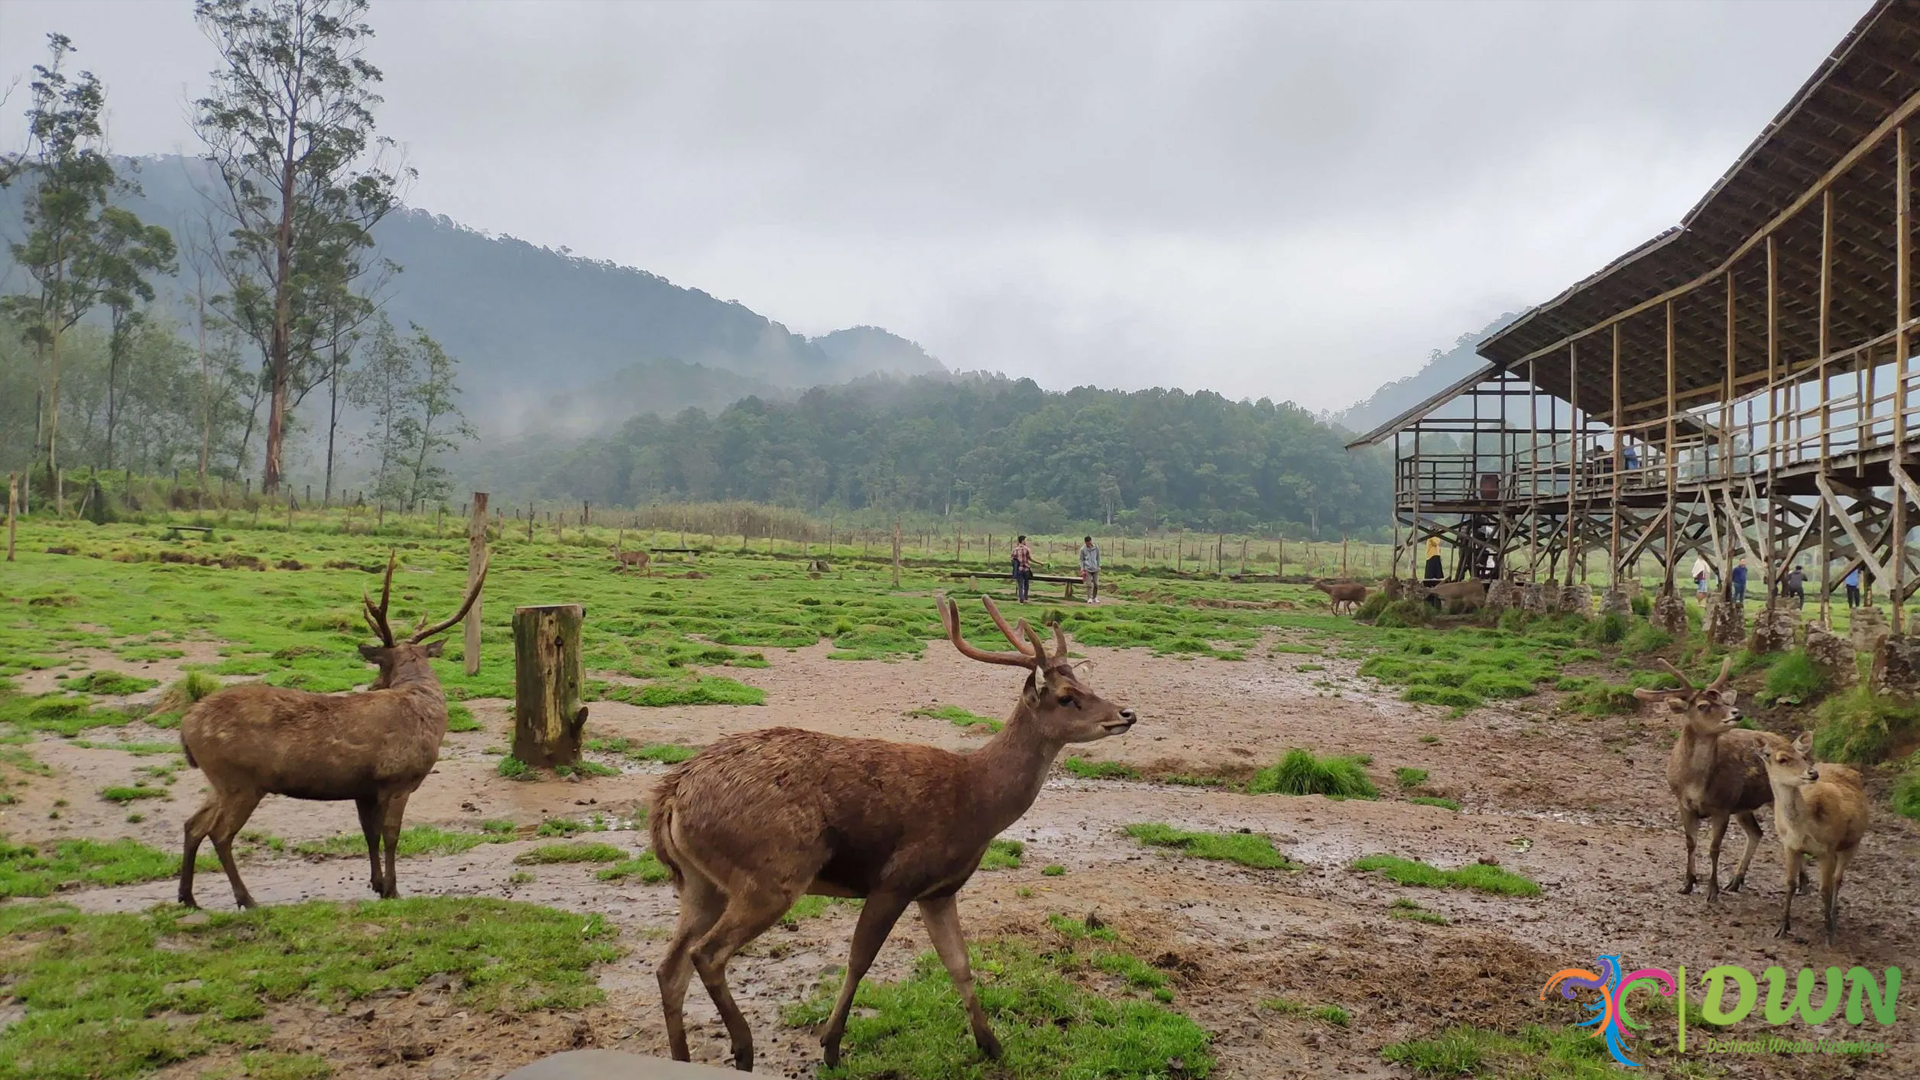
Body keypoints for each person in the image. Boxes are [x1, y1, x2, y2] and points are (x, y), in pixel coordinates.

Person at [1010, 534, 1033, 603]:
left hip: (1019, 569)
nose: (1026, 541)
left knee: (1020, 584)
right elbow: (1030, 559)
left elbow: (1012, 559)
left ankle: (1021, 598)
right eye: (1025, 540)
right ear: (1023, 541)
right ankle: (1025, 597)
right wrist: (1040, 563)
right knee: (1026, 584)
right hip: (1026, 569)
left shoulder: (1015, 550)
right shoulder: (1027, 549)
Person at [1423, 536, 1444, 610]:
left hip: (1436, 557)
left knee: (1438, 580)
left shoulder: (1435, 538)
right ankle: (1429, 603)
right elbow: (1436, 542)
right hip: (1431, 558)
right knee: (1429, 580)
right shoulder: (1430, 538)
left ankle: (1437, 605)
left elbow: (1438, 542)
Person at [1079, 536, 1101, 603]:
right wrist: (1082, 569)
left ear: (1091, 541)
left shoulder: (1096, 548)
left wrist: (1099, 565)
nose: (1089, 543)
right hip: (1087, 569)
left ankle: (1095, 597)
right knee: (1089, 585)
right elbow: (1081, 560)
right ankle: (1089, 598)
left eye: (1090, 542)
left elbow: (1098, 557)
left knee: (1096, 584)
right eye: (1087, 543)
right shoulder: (1083, 549)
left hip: (1095, 568)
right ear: (1085, 542)